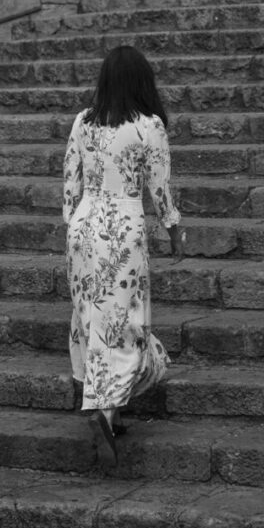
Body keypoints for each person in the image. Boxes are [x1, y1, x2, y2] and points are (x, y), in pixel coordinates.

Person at [62, 44, 183, 463]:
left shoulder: (83, 121)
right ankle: (106, 409)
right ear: (141, 82)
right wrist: (173, 229)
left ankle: (104, 408)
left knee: (91, 317)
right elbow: (160, 187)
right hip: (123, 228)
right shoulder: (148, 126)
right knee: (124, 320)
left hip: (83, 227)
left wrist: (74, 223)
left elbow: (70, 182)